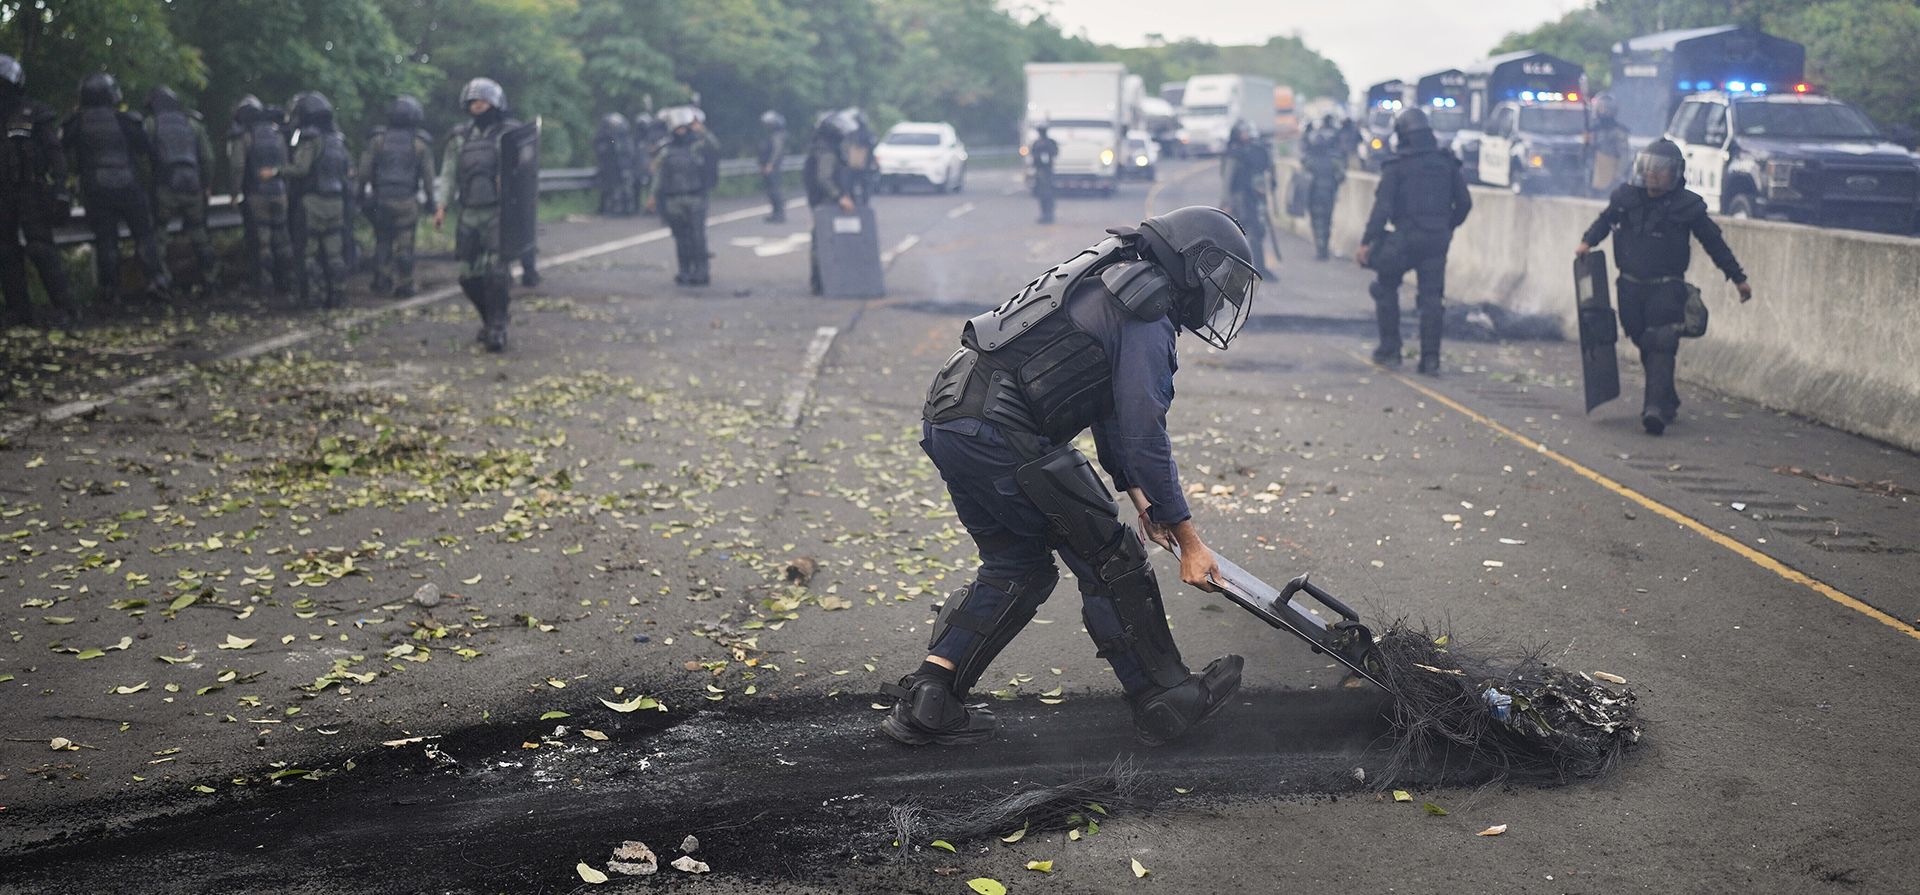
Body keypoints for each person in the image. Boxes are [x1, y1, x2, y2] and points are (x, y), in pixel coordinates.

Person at [882, 204, 1260, 748]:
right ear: (1190, 263)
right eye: (1217, 277)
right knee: (1112, 558)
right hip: (1000, 429)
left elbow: (1108, 412)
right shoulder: (1146, 310)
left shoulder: (1110, 278)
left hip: (954, 417)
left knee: (1017, 566)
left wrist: (1143, 500)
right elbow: (1143, 431)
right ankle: (1165, 698)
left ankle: (932, 696)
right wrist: (1190, 540)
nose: (1218, 293)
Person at [1576, 139, 1752, 435]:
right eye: (1649, 168)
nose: (1653, 175)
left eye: (1661, 170)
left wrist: (1738, 277)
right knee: (1643, 339)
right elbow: (1605, 221)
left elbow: (1714, 243)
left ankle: (1654, 409)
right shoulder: (1625, 197)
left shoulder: (1688, 206)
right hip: (1629, 287)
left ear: (1675, 174)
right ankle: (1666, 397)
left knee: (1660, 340)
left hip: (1666, 288)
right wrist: (1587, 242)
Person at [1355, 107, 1472, 375]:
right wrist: (1446, 226)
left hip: (1406, 237)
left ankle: (1390, 350)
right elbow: (1464, 204)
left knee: (1385, 286)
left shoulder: (1397, 167)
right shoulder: (1447, 163)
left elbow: (1381, 209)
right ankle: (1430, 359)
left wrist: (1366, 242)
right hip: (1436, 240)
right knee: (1432, 299)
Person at [63, 72, 171, 307]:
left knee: (107, 241)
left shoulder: (76, 123)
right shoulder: (125, 120)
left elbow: (58, 153)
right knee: (143, 235)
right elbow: (150, 151)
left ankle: (110, 290)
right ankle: (155, 281)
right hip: (129, 187)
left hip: (96, 190)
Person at [434, 77, 526, 352]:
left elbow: (522, 170)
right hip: (469, 212)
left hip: (498, 212)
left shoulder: (508, 135)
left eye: (482, 101)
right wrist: (441, 206)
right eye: (473, 101)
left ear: (495, 103)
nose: (477, 105)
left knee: (497, 273)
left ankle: (498, 327)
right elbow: (449, 173)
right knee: (468, 276)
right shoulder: (460, 138)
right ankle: (489, 320)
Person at [0, 55, 78, 328]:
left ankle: (65, 307)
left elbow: (55, 154)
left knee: (40, 248)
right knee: (6, 252)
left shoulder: (34, 114)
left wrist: (60, 189)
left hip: (32, 190)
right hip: (4, 194)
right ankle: (19, 311)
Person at [143, 86, 219, 297]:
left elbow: (143, 159)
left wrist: (150, 185)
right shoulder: (192, 124)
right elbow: (208, 158)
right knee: (200, 234)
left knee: (159, 235)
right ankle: (210, 280)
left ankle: (162, 283)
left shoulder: (151, 124)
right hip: (192, 185)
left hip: (165, 186)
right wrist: (206, 184)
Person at [357, 95, 436, 298]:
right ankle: (405, 284)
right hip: (406, 201)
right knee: (405, 244)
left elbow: (364, 172)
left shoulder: (378, 141)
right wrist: (431, 201)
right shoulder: (419, 144)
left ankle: (381, 280)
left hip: (382, 199)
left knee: (382, 241)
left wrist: (360, 194)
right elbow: (428, 178)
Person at [282, 92, 352, 309]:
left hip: (312, 203)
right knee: (334, 254)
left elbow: (301, 169)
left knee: (309, 253)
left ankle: (313, 298)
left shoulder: (310, 140)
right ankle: (338, 296)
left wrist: (276, 171)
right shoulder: (338, 141)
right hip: (336, 203)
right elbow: (348, 172)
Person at [803, 108, 876, 295]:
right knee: (823, 242)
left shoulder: (826, 149)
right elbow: (824, 179)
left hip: (826, 202)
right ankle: (821, 282)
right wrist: (839, 197)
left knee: (826, 241)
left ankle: (824, 281)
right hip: (827, 203)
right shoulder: (826, 152)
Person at [227, 96, 292, 295]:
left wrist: (234, 193)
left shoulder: (245, 136)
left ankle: (264, 285)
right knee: (281, 239)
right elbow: (285, 164)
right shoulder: (277, 133)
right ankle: (287, 281)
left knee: (262, 242)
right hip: (279, 193)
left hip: (257, 195)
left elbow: (237, 166)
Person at [646, 106, 716, 286]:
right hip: (673, 199)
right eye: (678, 128)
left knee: (697, 236)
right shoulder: (666, 150)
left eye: (684, 128)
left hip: (695, 197)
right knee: (681, 237)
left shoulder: (697, 146)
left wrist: (702, 130)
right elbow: (658, 175)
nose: (681, 132)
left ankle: (701, 272)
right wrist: (653, 196)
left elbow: (713, 147)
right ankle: (685, 270)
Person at [1220, 121, 1275, 277]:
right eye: (1244, 132)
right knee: (1238, 236)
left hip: (1253, 199)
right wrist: (1227, 203)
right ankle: (1237, 271)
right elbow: (1227, 181)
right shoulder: (1234, 155)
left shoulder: (1254, 151)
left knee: (1256, 232)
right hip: (1240, 200)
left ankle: (1258, 268)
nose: (1247, 135)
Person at [1301, 113, 1347, 261]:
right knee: (1326, 222)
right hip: (1327, 194)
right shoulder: (1333, 160)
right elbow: (1341, 176)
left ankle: (1321, 250)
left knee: (1317, 222)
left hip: (1315, 195)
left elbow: (1303, 175)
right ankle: (1323, 249)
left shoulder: (1310, 160)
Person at [1586, 93, 1631, 199]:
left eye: (1606, 108)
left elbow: (1624, 155)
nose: (1603, 111)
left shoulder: (1618, 132)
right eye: (1601, 108)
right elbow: (1585, 153)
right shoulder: (1592, 130)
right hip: (1592, 176)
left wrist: (1618, 175)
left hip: (1609, 178)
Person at [593, 112, 636, 216]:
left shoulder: (624, 137)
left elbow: (629, 152)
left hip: (623, 167)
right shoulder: (604, 137)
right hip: (611, 169)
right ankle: (614, 210)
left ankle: (627, 210)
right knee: (612, 190)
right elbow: (601, 150)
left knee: (625, 190)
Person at [758, 110, 788, 223]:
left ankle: (779, 213)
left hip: (772, 166)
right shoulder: (771, 136)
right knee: (771, 190)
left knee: (775, 190)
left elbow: (777, 151)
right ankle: (775, 213)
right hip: (767, 165)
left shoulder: (777, 136)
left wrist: (770, 164)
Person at [1028, 124, 1058, 224]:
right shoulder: (1037, 143)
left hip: (1047, 171)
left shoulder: (1049, 143)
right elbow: (1033, 156)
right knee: (1042, 194)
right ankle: (1045, 214)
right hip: (1040, 171)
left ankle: (1049, 214)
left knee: (1048, 194)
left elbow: (1054, 153)